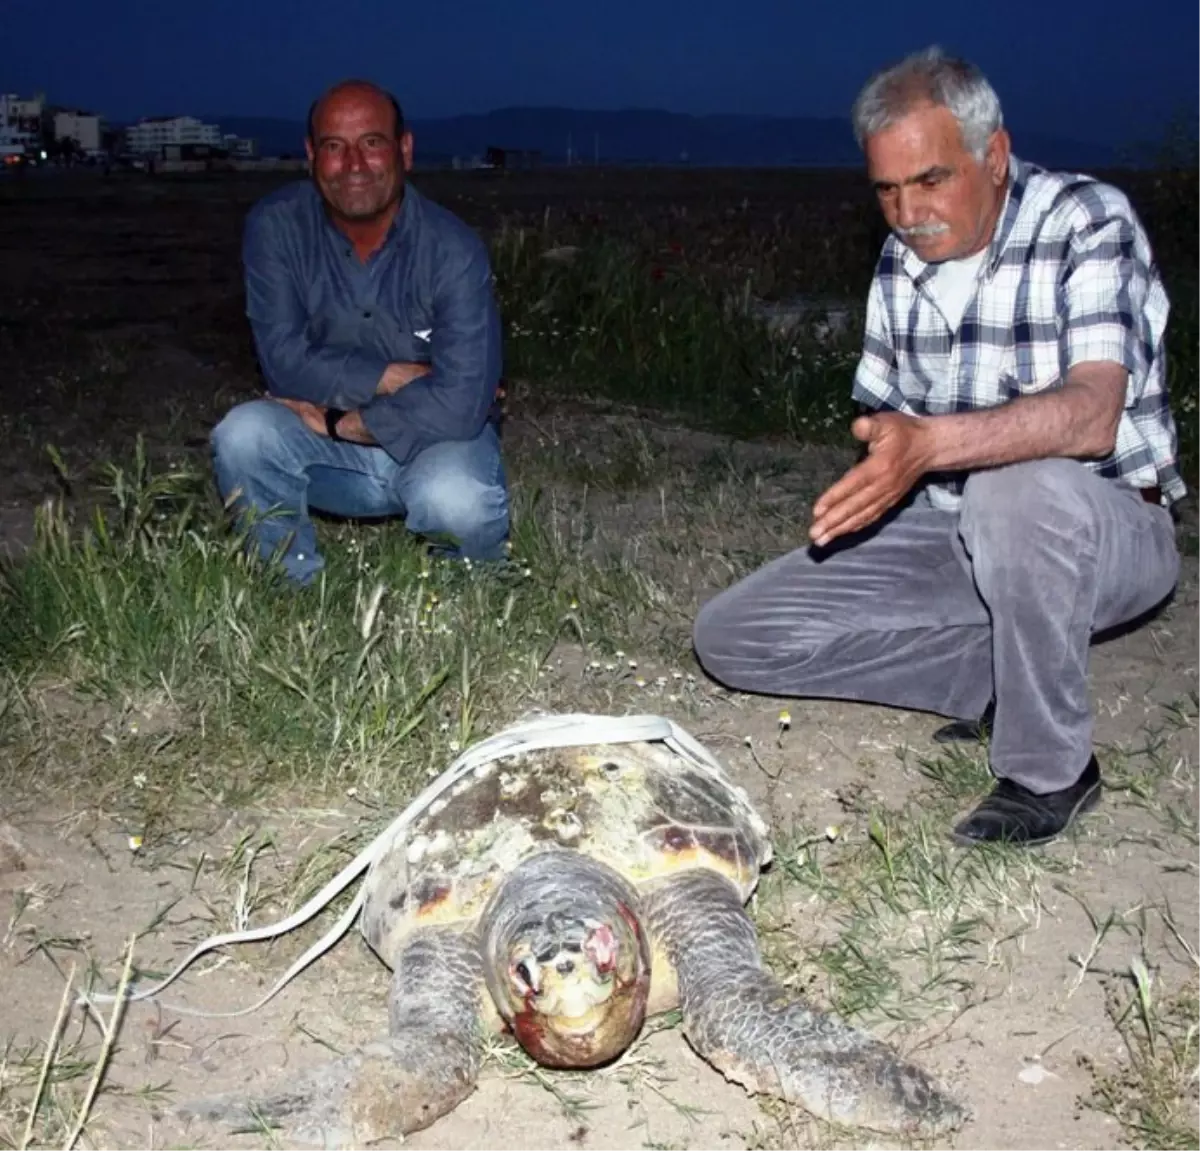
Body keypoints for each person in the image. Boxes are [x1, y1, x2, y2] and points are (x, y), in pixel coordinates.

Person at [692, 47, 1185, 847]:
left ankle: (1049, 768)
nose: (905, 210)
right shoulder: (899, 262)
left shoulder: (1087, 219)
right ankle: (1000, 679)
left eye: (930, 180)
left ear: (993, 156)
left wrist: (932, 446)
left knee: (1014, 489)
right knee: (736, 636)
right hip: (956, 534)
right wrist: (880, 479)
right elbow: (894, 434)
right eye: (886, 188)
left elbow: (1094, 415)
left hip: (1108, 531)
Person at [211, 78, 509, 586]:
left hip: (435, 443)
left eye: (371, 143)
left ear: (404, 150)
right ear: (310, 155)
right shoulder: (275, 228)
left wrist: (339, 423)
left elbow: (460, 405)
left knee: (459, 501)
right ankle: (289, 592)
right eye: (334, 146)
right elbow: (283, 359)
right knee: (242, 435)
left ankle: (465, 607)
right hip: (330, 456)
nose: (353, 165)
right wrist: (395, 376)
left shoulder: (453, 250)